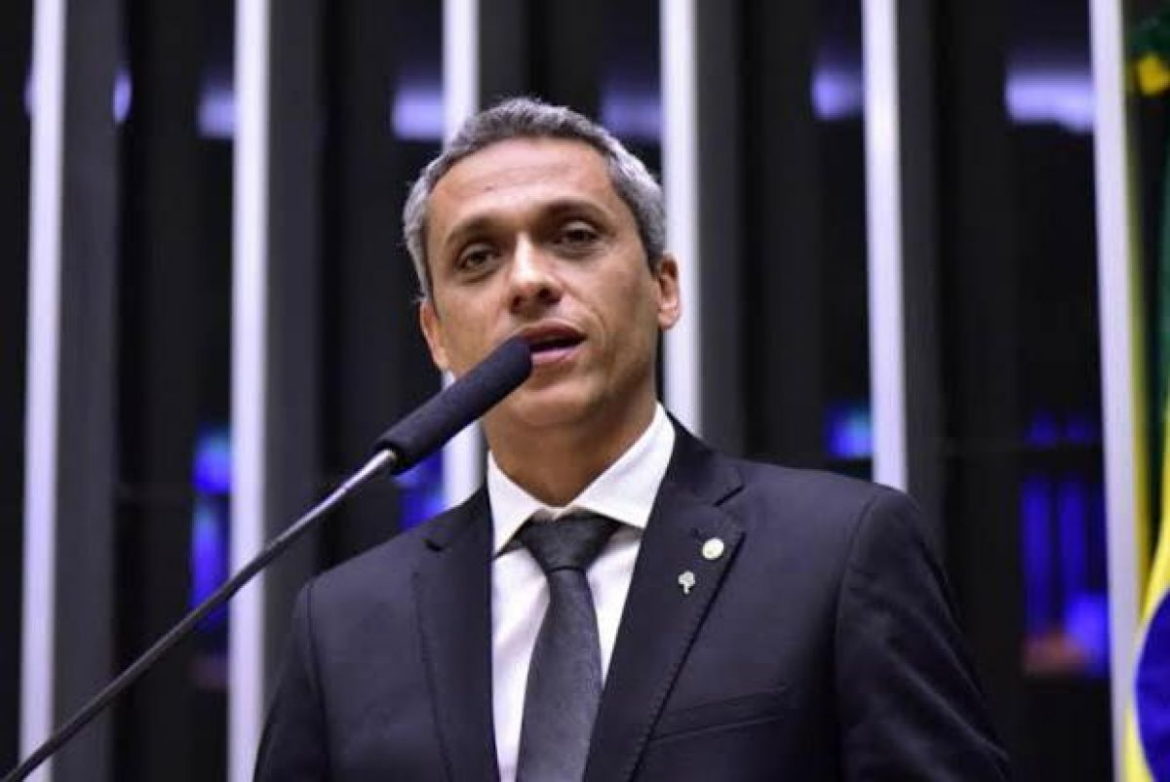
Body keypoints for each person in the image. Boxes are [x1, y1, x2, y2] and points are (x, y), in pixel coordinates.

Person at [254, 97, 1009, 781]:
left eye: (574, 236)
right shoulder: (344, 624)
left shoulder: (838, 553)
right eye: (478, 258)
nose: (528, 281)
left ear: (663, 288)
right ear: (436, 335)